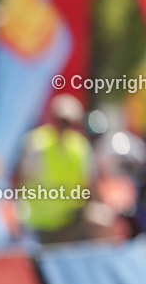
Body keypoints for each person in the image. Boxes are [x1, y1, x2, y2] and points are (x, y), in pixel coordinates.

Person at [15, 94, 94, 244]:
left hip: (70, 221)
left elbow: (88, 185)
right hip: (40, 225)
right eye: (61, 120)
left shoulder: (80, 147)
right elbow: (21, 181)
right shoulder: (37, 143)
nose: (64, 126)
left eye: (68, 122)